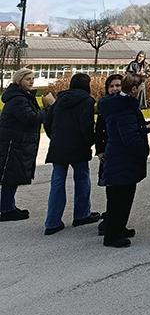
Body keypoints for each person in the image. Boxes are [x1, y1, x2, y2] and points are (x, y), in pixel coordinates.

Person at [43, 73, 100, 234]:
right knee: (82, 179)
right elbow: (86, 126)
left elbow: (48, 121)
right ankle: (82, 214)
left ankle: (52, 222)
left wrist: (54, 137)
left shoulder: (59, 100)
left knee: (57, 182)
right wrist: (90, 141)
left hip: (58, 145)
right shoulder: (87, 101)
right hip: (78, 146)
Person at [99, 73, 150, 247]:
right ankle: (112, 235)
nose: (143, 90)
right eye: (141, 87)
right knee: (119, 198)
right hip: (123, 158)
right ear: (134, 89)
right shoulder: (124, 107)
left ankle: (119, 228)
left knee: (124, 195)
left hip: (121, 157)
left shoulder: (122, 105)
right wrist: (143, 150)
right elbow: (129, 136)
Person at [0, 68, 43, 221]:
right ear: (19, 80)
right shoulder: (18, 99)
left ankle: (8, 206)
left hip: (17, 142)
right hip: (13, 143)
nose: (31, 81)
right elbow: (30, 118)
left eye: (33, 78)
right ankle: (6, 209)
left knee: (13, 176)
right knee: (10, 177)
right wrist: (47, 111)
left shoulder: (23, 96)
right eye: (28, 79)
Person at [95, 74, 123, 235]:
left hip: (120, 151)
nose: (114, 89)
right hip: (107, 150)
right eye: (111, 86)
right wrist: (99, 150)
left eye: (118, 85)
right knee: (110, 186)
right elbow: (99, 130)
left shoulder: (126, 104)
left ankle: (115, 217)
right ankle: (110, 214)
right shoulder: (104, 105)